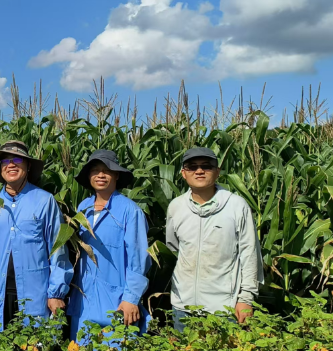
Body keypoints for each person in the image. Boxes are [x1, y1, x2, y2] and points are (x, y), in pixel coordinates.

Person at [0, 140, 73, 330]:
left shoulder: (44, 201)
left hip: (35, 295)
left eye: (17, 160)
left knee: (33, 340)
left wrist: (56, 293)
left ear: (28, 165)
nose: (11, 165)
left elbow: (58, 250)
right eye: (5, 161)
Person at [166, 147, 263, 332]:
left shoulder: (237, 206)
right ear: (183, 173)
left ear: (217, 172)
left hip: (224, 308)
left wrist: (246, 298)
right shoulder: (176, 207)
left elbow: (250, 254)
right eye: (192, 167)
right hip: (182, 306)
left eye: (206, 166)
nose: (199, 171)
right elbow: (173, 248)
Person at [68, 150, 151, 346]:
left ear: (116, 175)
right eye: (95, 171)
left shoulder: (129, 210)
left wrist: (131, 298)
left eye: (107, 171)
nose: (101, 175)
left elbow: (138, 259)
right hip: (84, 299)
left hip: (116, 300)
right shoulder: (83, 208)